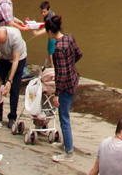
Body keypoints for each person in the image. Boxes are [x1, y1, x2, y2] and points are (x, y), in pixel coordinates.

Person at [46, 13, 82, 164]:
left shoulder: (58, 48)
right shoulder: (70, 37)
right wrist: (70, 65)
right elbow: (79, 54)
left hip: (66, 86)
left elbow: (59, 74)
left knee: (64, 118)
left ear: (50, 32)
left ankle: (69, 153)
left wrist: (55, 95)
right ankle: (66, 144)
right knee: (65, 115)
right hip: (74, 79)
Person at [0, 24, 27, 128]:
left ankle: (12, 117)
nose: (0, 44)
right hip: (3, 58)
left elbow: (15, 61)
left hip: (19, 59)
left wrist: (9, 81)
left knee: (14, 89)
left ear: (7, 36)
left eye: (3, 41)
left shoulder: (15, 37)